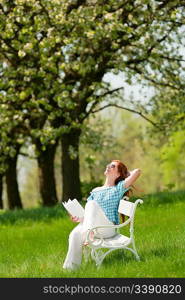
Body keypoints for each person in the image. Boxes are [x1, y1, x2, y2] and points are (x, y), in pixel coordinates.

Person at [63, 160, 141, 271]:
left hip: (107, 228)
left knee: (91, 204)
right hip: (93, 227)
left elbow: (137, 172)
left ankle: (87, 234)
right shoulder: (95, 191)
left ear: (118, 174)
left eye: (112, 166)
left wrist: (125, 172)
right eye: (108, 165)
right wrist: (79, 218)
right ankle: (70, 269)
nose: (108, 166)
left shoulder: (118, 187)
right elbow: (90, 214)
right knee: (74, 234)